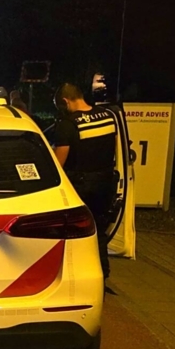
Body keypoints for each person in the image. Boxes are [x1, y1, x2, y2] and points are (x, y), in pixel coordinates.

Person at [51, 82, 118, 280]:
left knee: (76, 232)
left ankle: (78, 275)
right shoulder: (108, 116)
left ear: (64, 101)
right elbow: (113, 148)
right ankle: (102, 272)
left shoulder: (68, 124)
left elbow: (59, 164)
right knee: (99, 229)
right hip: (105, 182)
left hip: (80, 185)